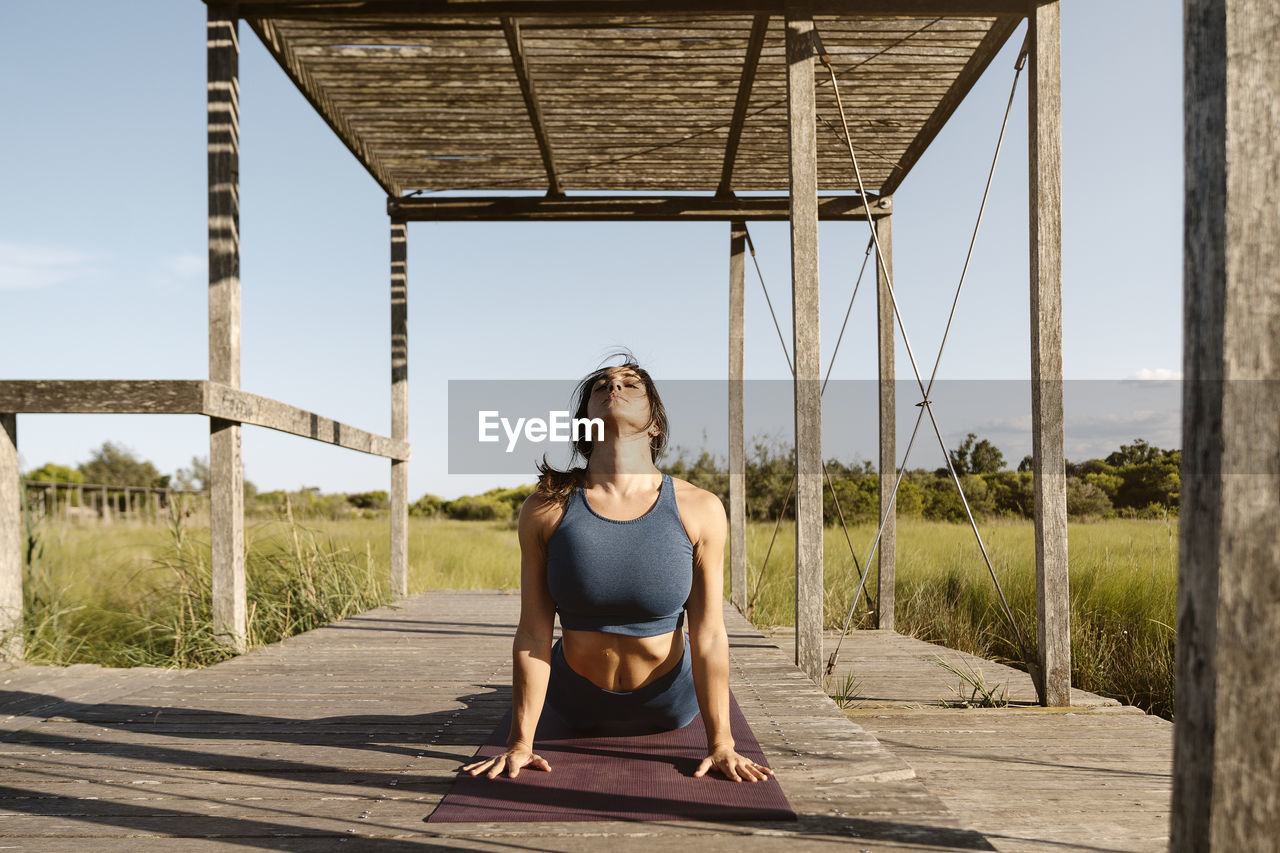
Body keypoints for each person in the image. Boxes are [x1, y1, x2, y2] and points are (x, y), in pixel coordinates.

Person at [463, 355, 773, 784]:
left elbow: (710, 632)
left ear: (655, 424)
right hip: (574, 704)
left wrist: (722, 743)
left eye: (631, 384)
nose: (614, 387)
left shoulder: (699, 508)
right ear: (585, 422)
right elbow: (533, 632)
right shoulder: (546, 508)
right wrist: (519, 743)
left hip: (671, 705)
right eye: (601, 385)